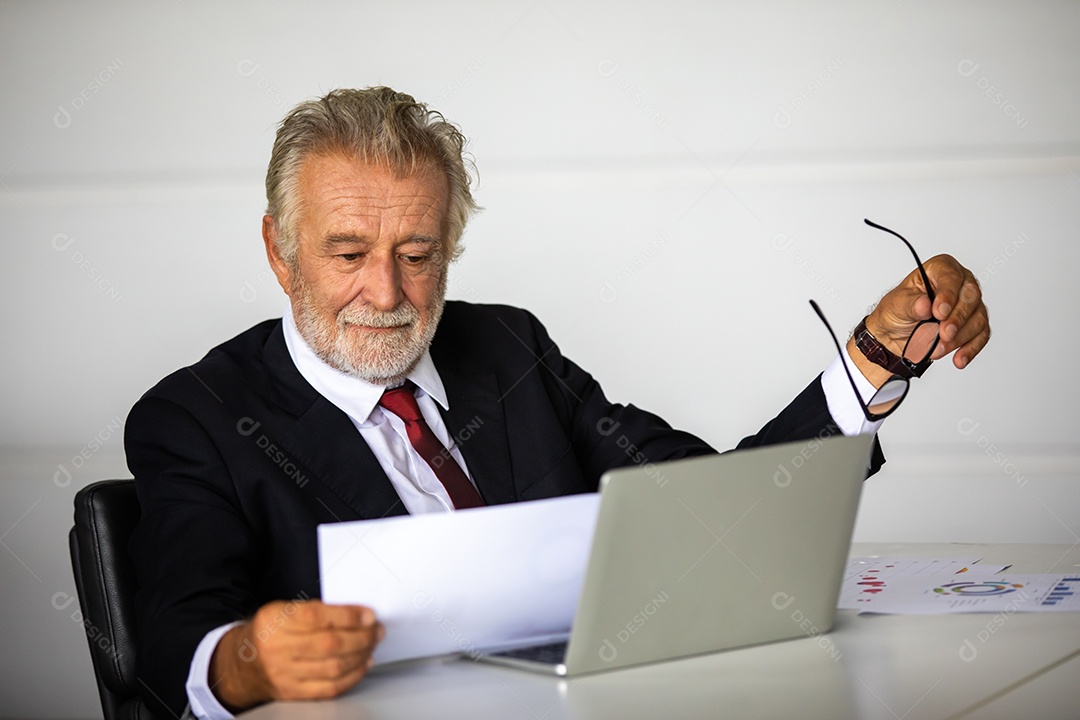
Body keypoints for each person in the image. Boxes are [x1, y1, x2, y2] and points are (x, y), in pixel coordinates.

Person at [125, 87, 990, 719]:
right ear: (281, 253)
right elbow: (173, 645)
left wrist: (875, 357)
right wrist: (253, 659)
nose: (386, 291)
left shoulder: (508, 349)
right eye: (347, 253)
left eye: (419, 253)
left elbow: (710, 502)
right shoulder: (196, 419)